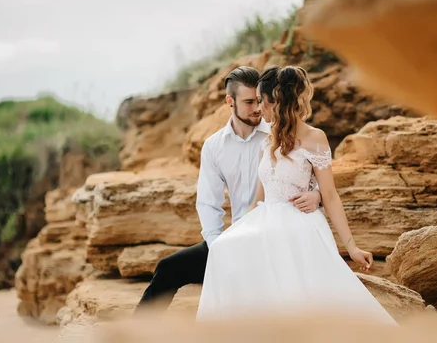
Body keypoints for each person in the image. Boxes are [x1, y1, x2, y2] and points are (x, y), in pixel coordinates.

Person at [196, 66, 397, 324]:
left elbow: (330, 195)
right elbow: (259, 199)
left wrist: (351, 247)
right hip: (265, 223)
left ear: (276, 101)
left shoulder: (315, 138)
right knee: (224, 249)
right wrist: (236, 233)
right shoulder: (267, 141)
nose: (259, 108)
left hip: (299, 226)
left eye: (261, 101)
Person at [134, 66, 322, 313]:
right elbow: (208, 203)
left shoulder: (279, 135)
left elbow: (311, 169)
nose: (257, 108)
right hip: (232, 237)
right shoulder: (214, 146)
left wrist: (317, 195)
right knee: (169, 267)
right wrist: (218, 248)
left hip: (274, 237)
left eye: (259, 101)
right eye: (247, 102)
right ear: (229, 101)